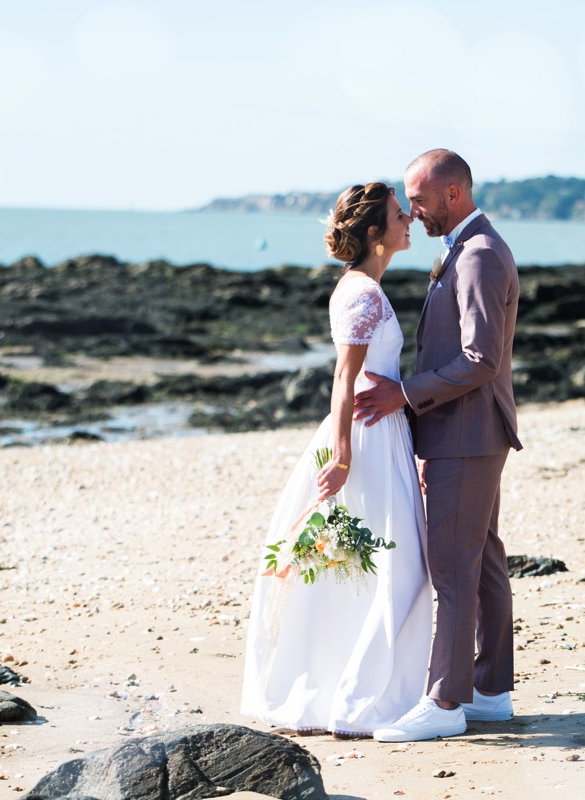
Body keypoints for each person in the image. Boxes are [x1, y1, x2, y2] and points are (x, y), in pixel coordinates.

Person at [241, 182, 433, 737]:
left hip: (384, 432)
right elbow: (345, 377)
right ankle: (353, 699)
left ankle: (347, 692)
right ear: (376, 235)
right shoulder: (362, 293)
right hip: (366, 440)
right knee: (386, 568)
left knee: (370, 569)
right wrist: (344, 455)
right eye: (400, 216)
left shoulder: (365, 286)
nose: (410, 222)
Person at [356, 149, 522, 742]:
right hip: (469, 432)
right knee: (482, 563)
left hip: (466, 434)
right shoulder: (471, 248)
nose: (414, 211)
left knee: (453, 571)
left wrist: (403, 395)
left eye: (419, 200)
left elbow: (480, 359)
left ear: (453, 194)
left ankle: (447, 702)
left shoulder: (477, 255)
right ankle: (489, 691)